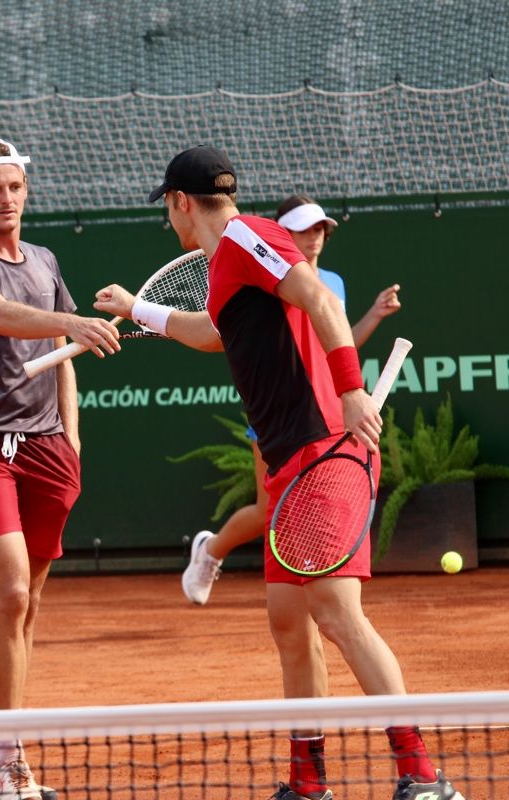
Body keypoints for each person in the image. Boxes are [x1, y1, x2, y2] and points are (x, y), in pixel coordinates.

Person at [93, 146, 463, 800]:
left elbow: (319, 298)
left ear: (181, 203)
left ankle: (422, 776)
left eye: (168, 209)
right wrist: (137, 310)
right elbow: (213, 333)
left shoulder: (245, 236)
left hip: (324, 449)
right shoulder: (226, 264)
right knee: (290, 624)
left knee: (336, 614)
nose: (169, 223)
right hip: (289, 463)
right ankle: (308, 783)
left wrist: (350, 389)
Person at [0, 138, 121, 800]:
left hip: (47, 451)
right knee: (11, 594)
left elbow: (63, 352)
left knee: (30, 604)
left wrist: (71, 442)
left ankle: (7, 754)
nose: (6, 198)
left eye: (14, 187)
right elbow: (4, 317)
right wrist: (71, 318)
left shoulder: (43, 260)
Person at [181, 195, 403, 605]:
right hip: (278, 414)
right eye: (302, 229)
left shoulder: (331, 284)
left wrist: (371, 317)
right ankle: (211, 552)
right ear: (282, 232)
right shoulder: (257, 266)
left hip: (323, 413)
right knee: (271, 510)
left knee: (297, 544)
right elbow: (222, 333)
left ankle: (295, 597)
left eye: (319, 228)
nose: (314, 237)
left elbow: (337, 343)